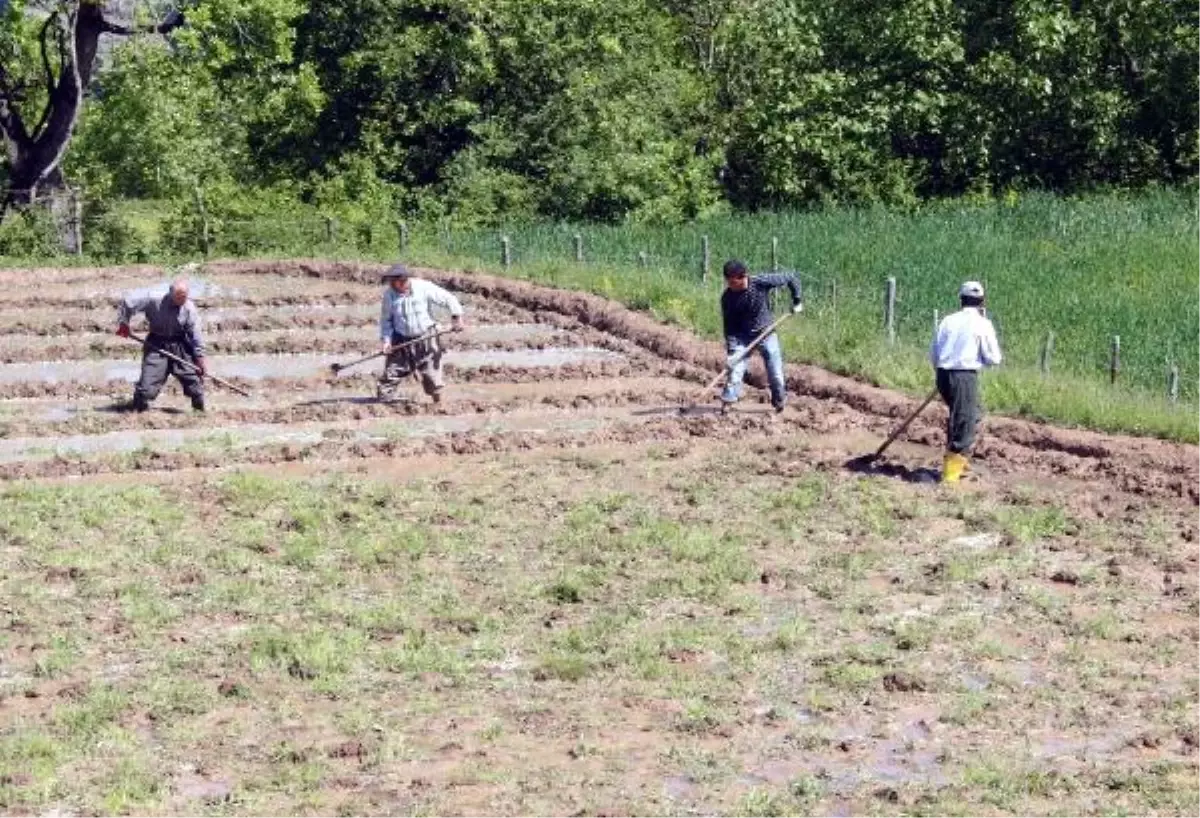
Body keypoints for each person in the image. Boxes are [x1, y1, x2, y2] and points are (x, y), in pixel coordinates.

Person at [930, 281, 1003, 483]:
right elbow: (994, 358)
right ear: (982, 302)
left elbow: (934, 353)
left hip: (943, 374)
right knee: (964, 424)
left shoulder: (947, 320)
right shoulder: (983, 324)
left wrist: (943, 372)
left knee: (970, 414)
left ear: (961, 300)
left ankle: (959, 460)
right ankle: (951, 477)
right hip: (964, 376)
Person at [719, 259, 803, 414]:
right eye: (728, 282)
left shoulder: (760, 283)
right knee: (735, 369)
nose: (730, 285)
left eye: (732, 282)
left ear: (743, 277)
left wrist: (797, 299)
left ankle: (779, 402)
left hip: (766, 332)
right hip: (742, 337)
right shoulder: (727, 298)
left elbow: (791, 277)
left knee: (775, 372)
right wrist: (732, 352)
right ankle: (727, 403)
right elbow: (729, 327)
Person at [377, 264, 465, 404]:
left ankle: (438, 405)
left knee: (432, 378)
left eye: (394, 282)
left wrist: (456, 318)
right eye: (390, 282)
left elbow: (448, 298)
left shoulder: (423, 287)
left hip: (426, 337)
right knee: (390, 375)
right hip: (401, 339)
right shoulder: (389, 295)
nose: (391, 285)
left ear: (403, 280)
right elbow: (386, 321)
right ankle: (381, 407)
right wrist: (386, 341)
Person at [116, 278, 207, 412]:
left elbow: (195, 335)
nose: (182, 300)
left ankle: (199, 412)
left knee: (194, 384)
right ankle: (137, 409)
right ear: (170, 294)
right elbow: (128, 302)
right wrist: (124, 323)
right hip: (156, 344)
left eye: (185, 297)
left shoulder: (189, 308)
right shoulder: (154, 299)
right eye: (178, 297)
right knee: (146, 389)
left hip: (180, 344)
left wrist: (200, 360)